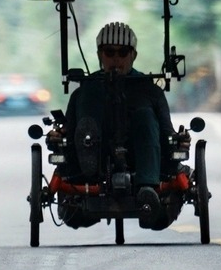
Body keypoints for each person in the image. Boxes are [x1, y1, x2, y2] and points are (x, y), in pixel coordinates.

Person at [62, 20, 176, 228]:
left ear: (133, 55)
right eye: (109, 52)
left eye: (122, 52)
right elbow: (68, 135)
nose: (116, 58)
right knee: (87, 101)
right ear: (100, 55)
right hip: (95, 153)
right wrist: (60, 136)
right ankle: (87, 177)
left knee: (144, 116)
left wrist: (178, 141)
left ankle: (147, 188)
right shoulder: (85, 90)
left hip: (141, 153)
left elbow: (167, 133)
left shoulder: (149, 89)